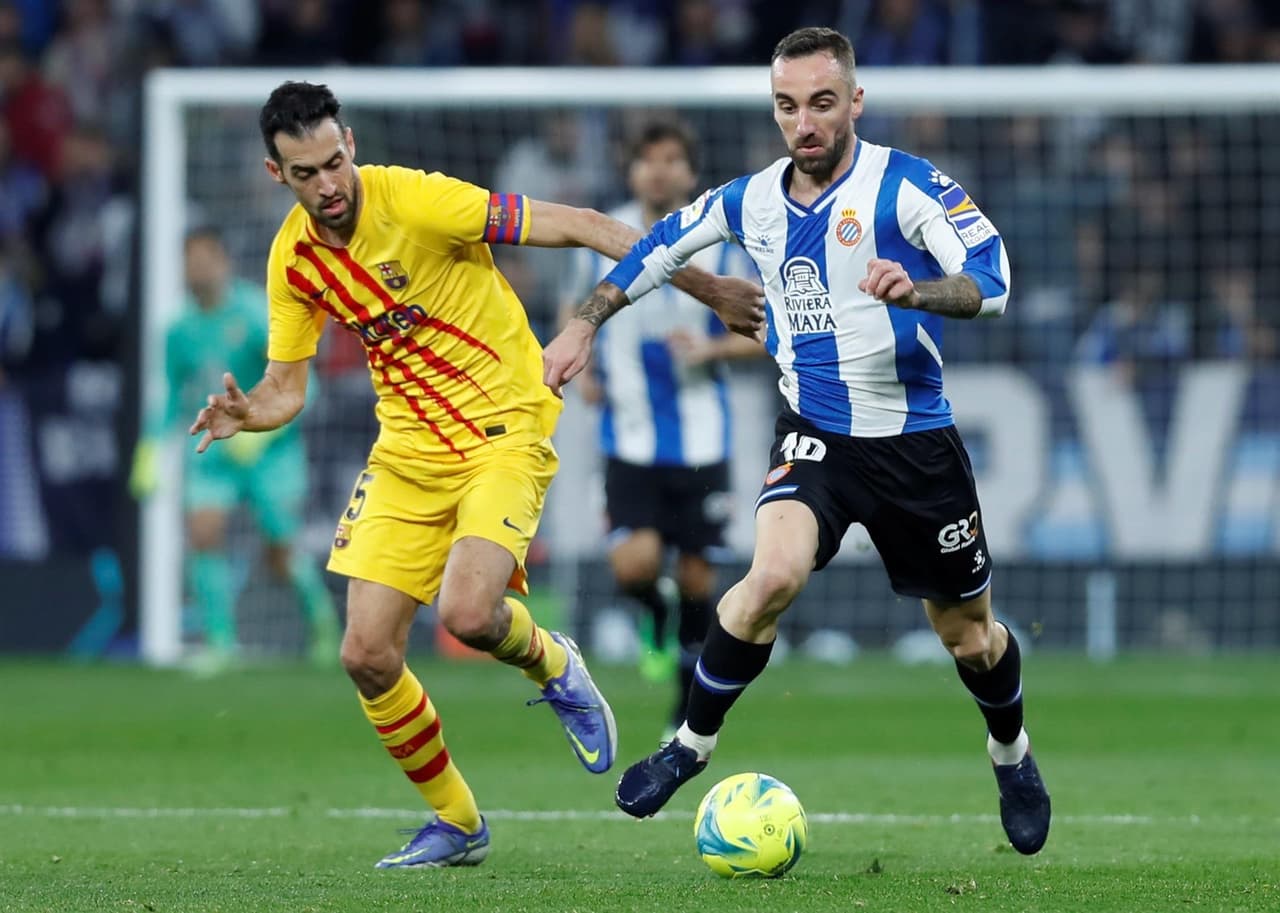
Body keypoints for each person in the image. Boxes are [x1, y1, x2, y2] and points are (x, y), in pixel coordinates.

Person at [188, 81, 764, 870]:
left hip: (503, 425)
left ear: (349, 143)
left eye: (332, 162)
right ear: (274, 172)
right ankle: (457, 822)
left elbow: (590, 226)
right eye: (303, 173)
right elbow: (287, 386)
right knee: (365, 652)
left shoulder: (423, 202)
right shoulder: (293, 259)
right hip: (406, 451)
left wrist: (712, 290)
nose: (326, 185)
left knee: (466, 611)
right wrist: (248, 411)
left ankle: (554, 662)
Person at [544, 27, 1051, 856]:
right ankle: (689, 744)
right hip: (814, 432)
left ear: (855, 100)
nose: (804, 123)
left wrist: (919, 290)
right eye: (787, 106)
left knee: (969, 636)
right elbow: (651, 250)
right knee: (769, 573)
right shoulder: (750, 201)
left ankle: (1012, 752)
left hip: (914, 442)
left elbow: (993, 278)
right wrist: (582, 325)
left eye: (821, 103)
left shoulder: (907, 186)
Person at [559, 118, 762, 734]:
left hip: (703, 440)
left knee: (700, 577)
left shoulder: (722, 241)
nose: (659, 170)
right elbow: (578, 305)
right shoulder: (608, 232)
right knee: (635, 567)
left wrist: (711, 351)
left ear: (691, 172)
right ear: (631, 170)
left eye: (672, 158)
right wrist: (585, 360)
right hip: (629, 436)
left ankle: (683, 700)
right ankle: (652, 616)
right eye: (648, 159)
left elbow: (768, 329)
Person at [132, 227, 340, 671]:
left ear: (223, 261)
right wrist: (150, 450)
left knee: (280, 553)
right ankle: (221, 643)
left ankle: (323, 626)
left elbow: (305, 382)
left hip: (270, 453)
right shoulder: (178, 331)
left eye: (206, 257)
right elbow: (169, 394)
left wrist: (270, 431)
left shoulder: (253, 313)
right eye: (190, 260)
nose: (199, 268)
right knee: (203, 532)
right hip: (215, 453)